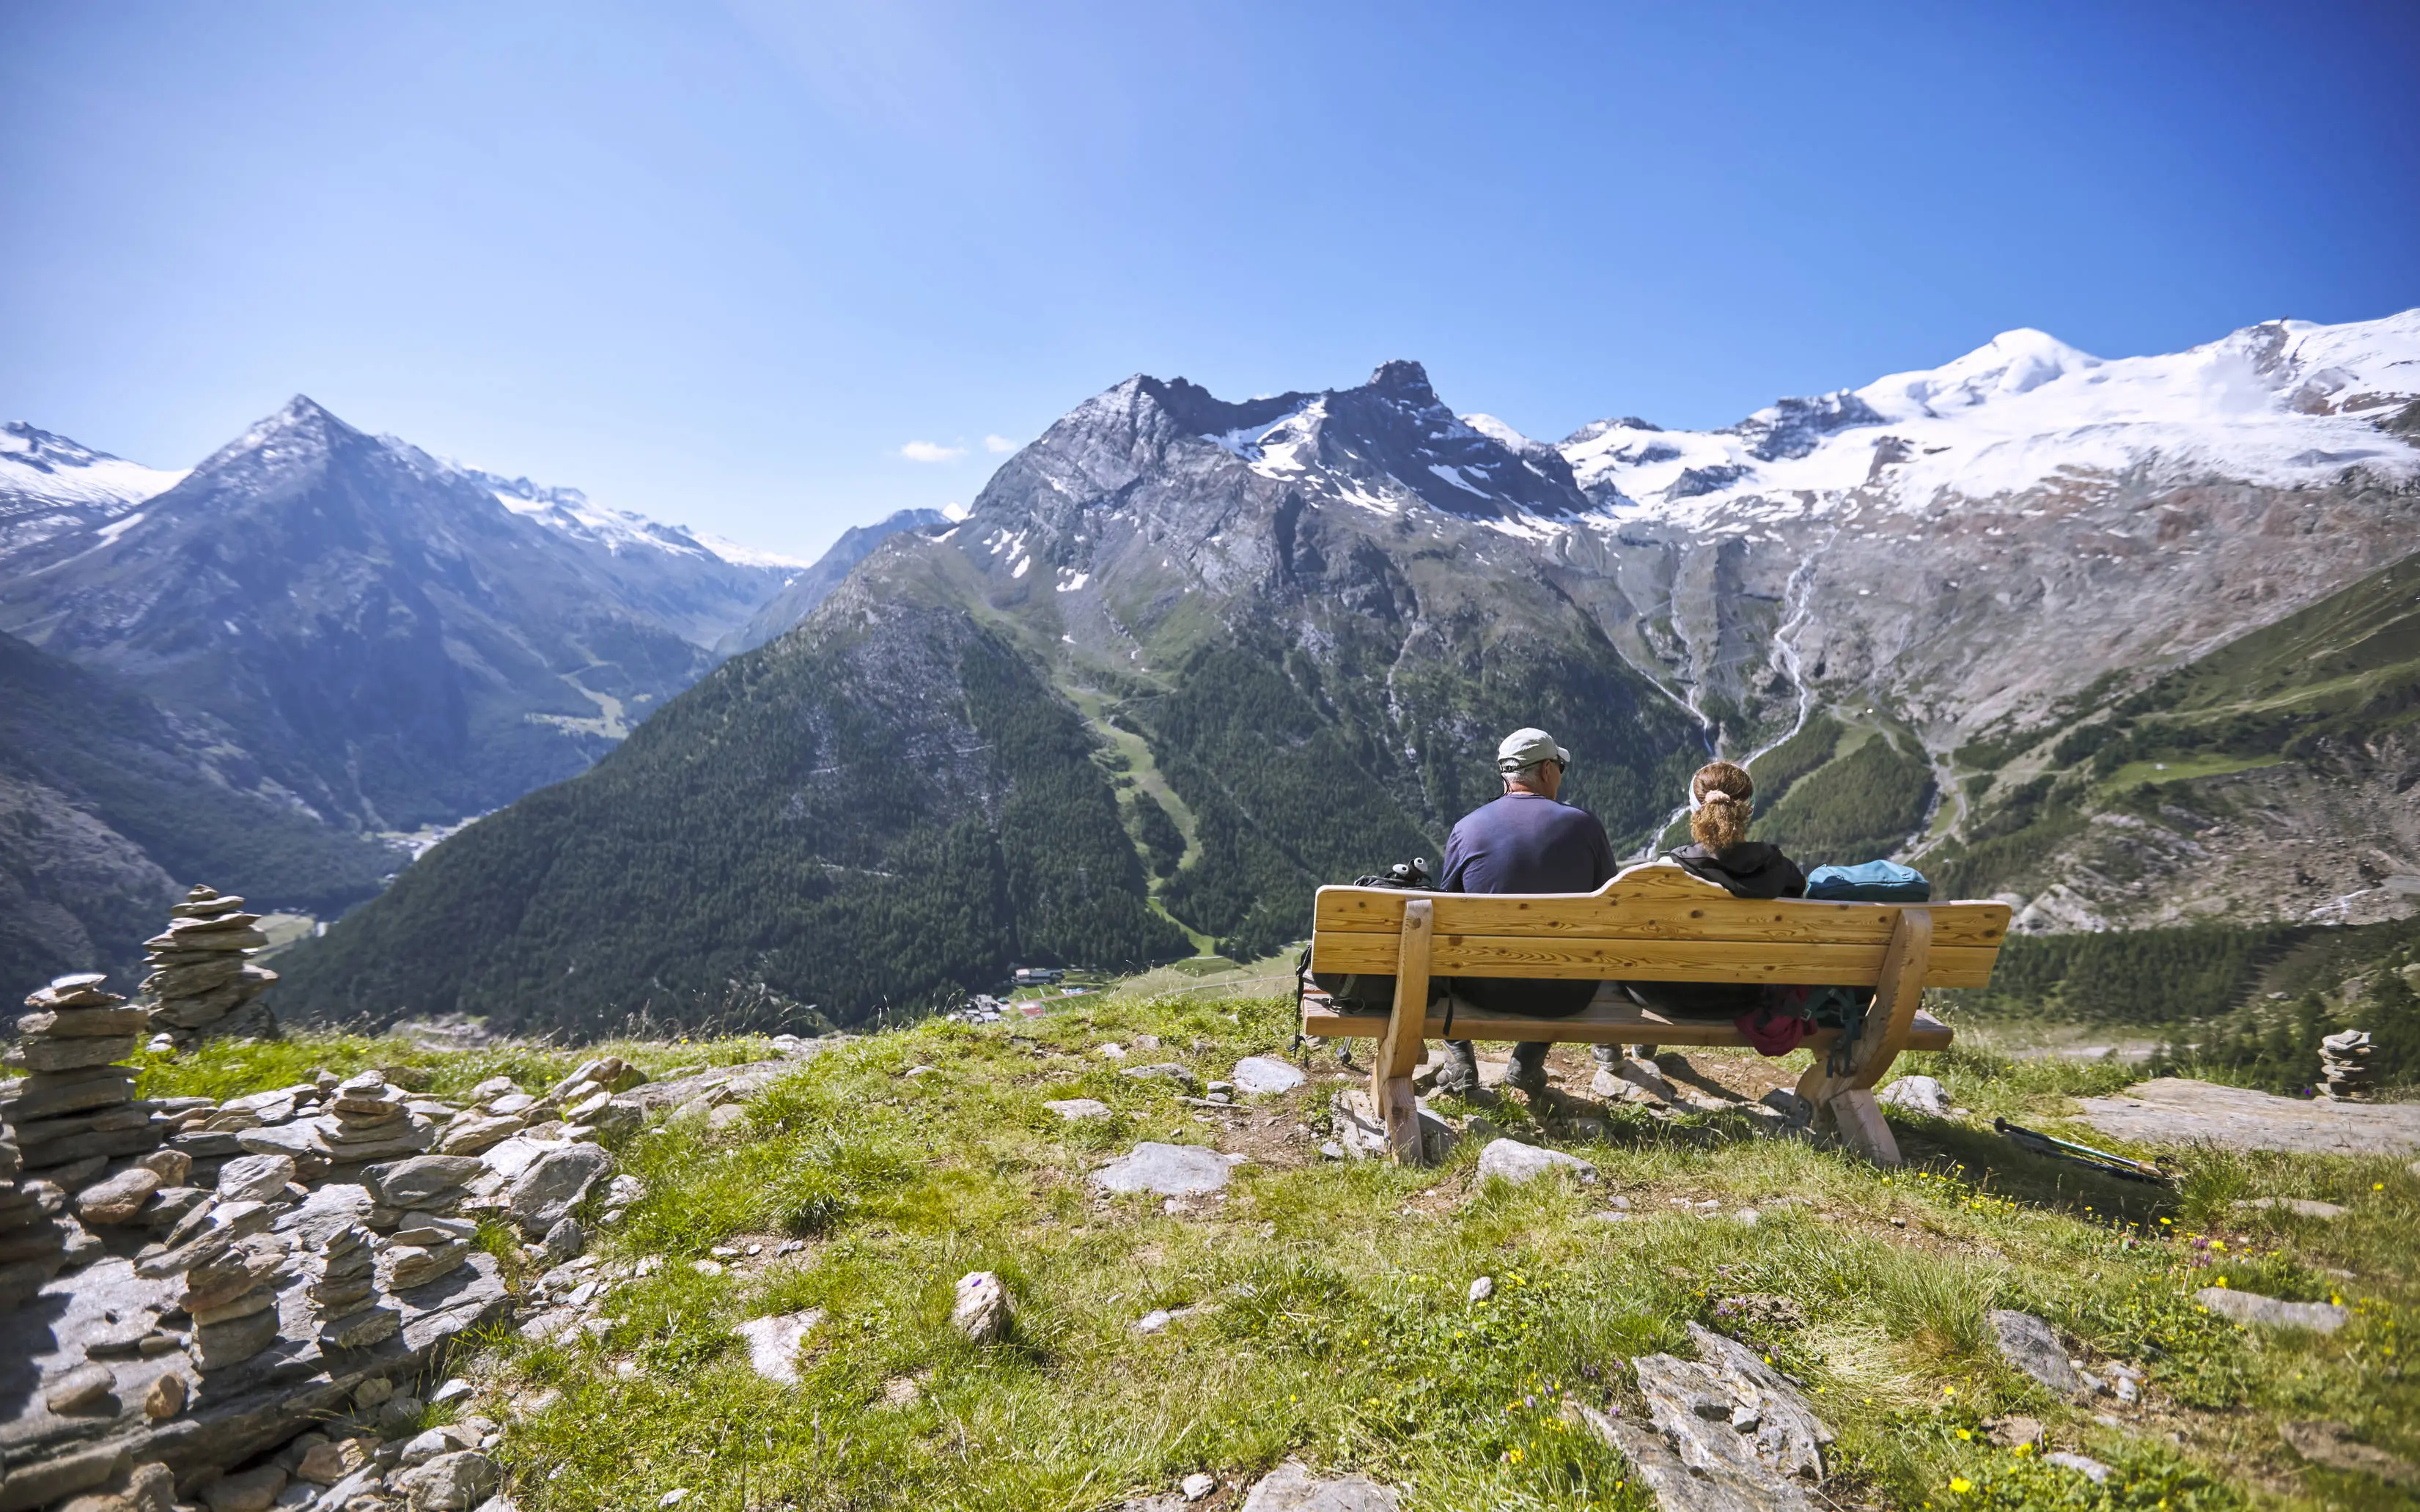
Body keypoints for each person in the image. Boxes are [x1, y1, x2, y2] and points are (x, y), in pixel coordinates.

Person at [1432, 727, 1617, 1096]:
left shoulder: (1467, 828)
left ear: (1506, 776)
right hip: (1565, 994)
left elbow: (1445, 910)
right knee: (1562, 961)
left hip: (1481, 988)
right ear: (1547, 770)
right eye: (1560, 766)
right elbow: (1611, 908)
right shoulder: (1585, 826)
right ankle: (1527, 1063)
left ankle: (1460, 1061)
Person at [1613, 759, 1806, 1025]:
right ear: (1748, 810)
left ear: (1694, 810)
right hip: (1745, 999)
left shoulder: (1667, 873)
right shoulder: (1782, 873)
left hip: (1665, 996)